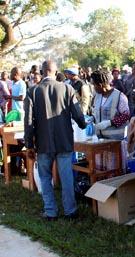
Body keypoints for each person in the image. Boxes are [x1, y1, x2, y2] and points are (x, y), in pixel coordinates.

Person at [24, 60, 86, 221]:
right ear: (55, 71)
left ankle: (50, 212)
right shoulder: (67, 88)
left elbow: (28, 121)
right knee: (66, 177)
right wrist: (83, 123)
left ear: (42, 71)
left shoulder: (33, 91)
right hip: (64, 140)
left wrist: (29, 145)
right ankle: (70, 211)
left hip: (43, 143)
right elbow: (78, 114)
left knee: (45, 177)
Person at [91, 70, 130, 140]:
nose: (93, 87)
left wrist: (109, 123)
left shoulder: (119, 96)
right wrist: (92, 118)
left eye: (94, 84)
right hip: (100, 138)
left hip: (115, 139)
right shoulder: (97, 96)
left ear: (100, 85)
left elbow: (126, 116)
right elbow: (98, 113)